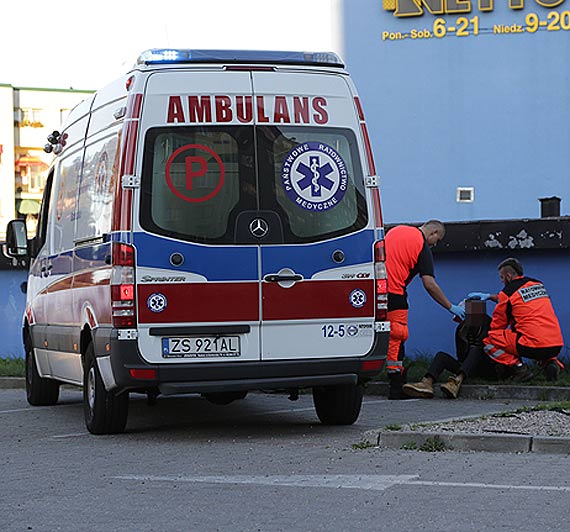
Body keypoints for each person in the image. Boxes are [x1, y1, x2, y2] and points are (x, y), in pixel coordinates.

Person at [437, 257, 564, 399]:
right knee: (539, 337)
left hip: (532, 344)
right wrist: (491, 297)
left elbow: (497, 326)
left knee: (490, 339)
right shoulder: (537, 284)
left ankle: (519, 369)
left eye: (502, 278)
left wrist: (475, 318)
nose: (502, 281)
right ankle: (550, 363)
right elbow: (517, 300)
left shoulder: (507, 293)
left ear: (509, 276)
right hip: (555, 344)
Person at [385, 220, 465, 399]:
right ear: (434, 232)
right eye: (436, 240)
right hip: (394, 294)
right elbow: (429, 284)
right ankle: (395, 387)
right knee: (397, 336)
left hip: (372, 289)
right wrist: (450, 306)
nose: (434, 244)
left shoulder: (396, 230)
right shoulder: (422, 246)